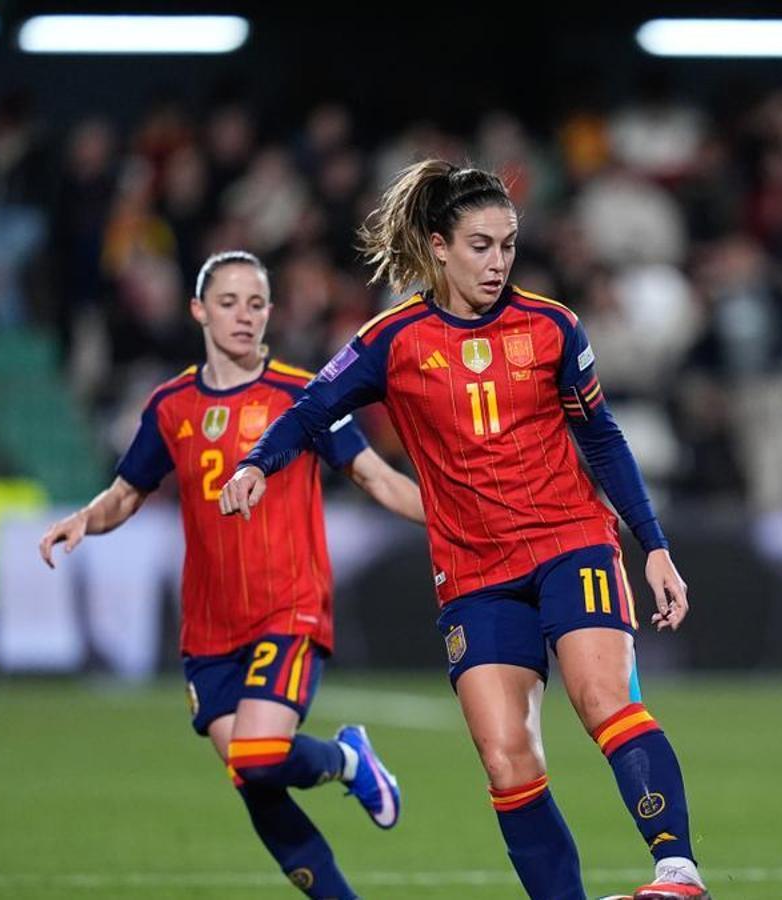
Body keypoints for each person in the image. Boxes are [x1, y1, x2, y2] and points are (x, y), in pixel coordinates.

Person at [221, 160, 709, 900]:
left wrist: (655, 547)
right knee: (507, 757)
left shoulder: (551, 327)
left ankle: (677, 869)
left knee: (603, 698)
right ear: (438, 245)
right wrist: (261, 461)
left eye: (508, 245)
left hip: (569, 538)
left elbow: (603, 438)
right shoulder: (393, 340)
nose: (498, 262)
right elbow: (312, 407)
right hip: (474, 572)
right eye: (481, 246)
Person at [39, 250, 425, 900]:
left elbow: (376, 476)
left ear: (270, 313)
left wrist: (453, 520)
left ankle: (349, 760)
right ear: (198, 311)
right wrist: (85, 518)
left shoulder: (304, 394)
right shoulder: (171, 406)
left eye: (255, 303)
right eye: (228, 302)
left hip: (289, 608)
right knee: (255, 779)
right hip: (209, 631)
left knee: (259, 754)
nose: (243, 316)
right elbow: (128, 492)